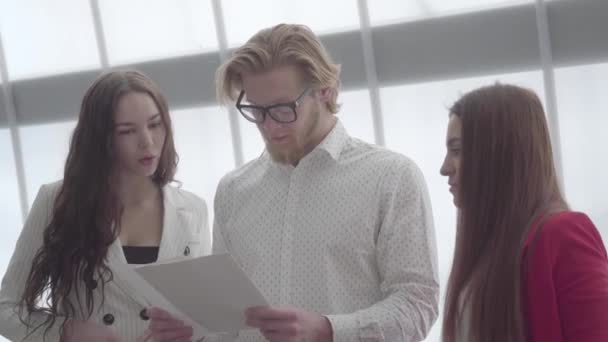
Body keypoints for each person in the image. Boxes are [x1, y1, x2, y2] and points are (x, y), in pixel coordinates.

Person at [213, 23, 439, 341]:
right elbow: (226, 323)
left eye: (282, 108)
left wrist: (328, 329)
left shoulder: (392, 178)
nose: (269, 126)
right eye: (256, 110)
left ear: (326, 91)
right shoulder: (233, 191)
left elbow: (418, 304)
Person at [0, 70, 210, 342]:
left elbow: (204, 320)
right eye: (127, 131)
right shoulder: (57, 201)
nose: (147, 142)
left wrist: (192, 333)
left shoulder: (193, 210)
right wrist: (66, 331)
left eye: (155, 125)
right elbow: (6, 308)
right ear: (100, 138)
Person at [439, 83, 608, 342]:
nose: (444, 168)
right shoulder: (484, 258)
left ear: (498, 153)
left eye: (457, 151)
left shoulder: (564, 235)